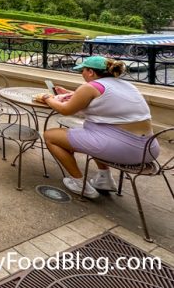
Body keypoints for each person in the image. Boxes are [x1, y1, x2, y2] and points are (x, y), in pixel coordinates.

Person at [41, 56, 159, 199]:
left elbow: (65, 110)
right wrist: (71, 94)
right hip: (150, 148)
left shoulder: (89, 87)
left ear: (90, 72)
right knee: (93, 129)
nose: (82, 74)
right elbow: (104, 100)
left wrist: (47, 98)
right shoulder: (126, 85)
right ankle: (104, 179)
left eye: (83, 71)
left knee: (50, 136)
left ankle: (79, 183)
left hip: (125, 149)